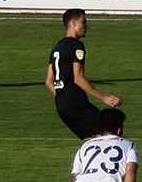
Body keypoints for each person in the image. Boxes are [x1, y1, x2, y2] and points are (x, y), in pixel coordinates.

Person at [49, 8, 121, 139]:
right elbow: (79, 78)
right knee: (109, 132)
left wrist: (62, 96)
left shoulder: (57, 48)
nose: (86, 26)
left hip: (61, 106)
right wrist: (105, 97)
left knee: (95, 138)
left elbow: (48, 81)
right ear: (73, 23)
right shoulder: (76, 46)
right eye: (83, 22)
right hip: (75, 103)